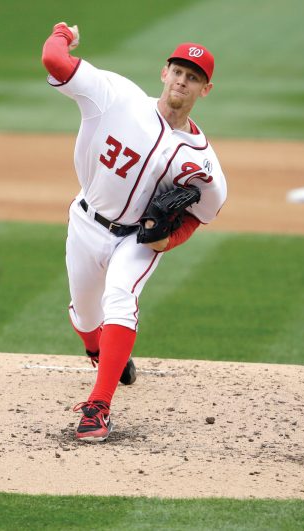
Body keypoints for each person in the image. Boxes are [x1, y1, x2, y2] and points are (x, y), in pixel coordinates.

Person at [41, 23, 227, 442]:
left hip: (136, 240)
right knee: (87, 318)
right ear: (164, 72)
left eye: (193, 77)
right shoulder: (115, 97)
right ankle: (101, 351)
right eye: (178, 71)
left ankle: (98, 408)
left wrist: (169, 240)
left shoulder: (204, 164)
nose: (183, 80)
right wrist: (63, 34)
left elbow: (202, 213)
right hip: (86, 222)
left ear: (205, 89)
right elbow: (54, 60)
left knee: (121, 299)